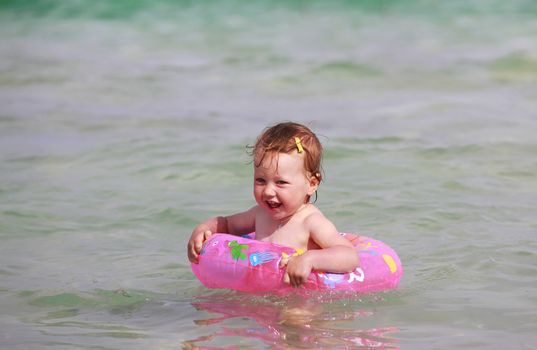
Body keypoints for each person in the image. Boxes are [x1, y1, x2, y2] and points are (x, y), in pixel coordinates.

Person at [187, 122, 359, 287]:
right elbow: (225, 224)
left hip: (297, 296)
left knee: (295, 316)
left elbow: (349, 256)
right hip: (261, 290)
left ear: (312, 184)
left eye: (281, 182)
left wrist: (309, 259)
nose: (268, 191)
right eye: (260, 180)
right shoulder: (259, 214)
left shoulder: (311, 222)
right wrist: (202, 229)